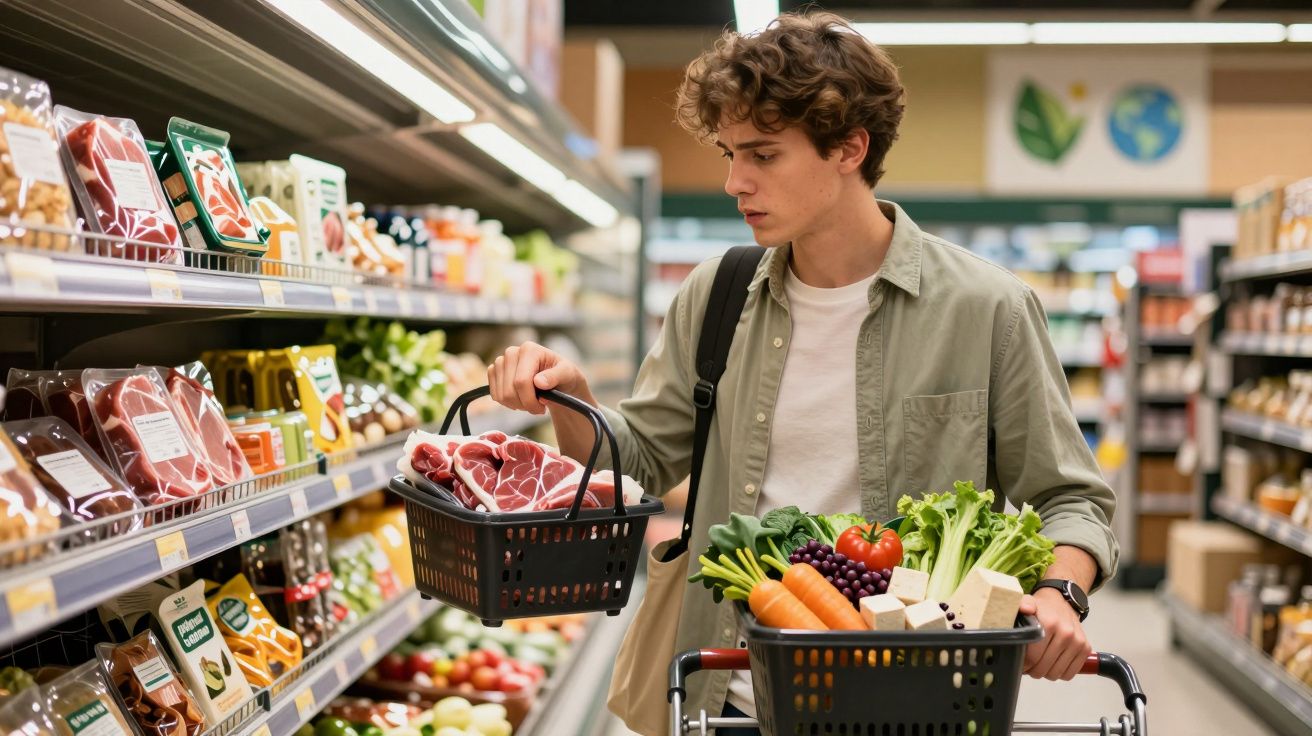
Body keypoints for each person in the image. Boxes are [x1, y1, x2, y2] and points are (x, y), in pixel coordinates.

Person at [486, 10, 1117, 732]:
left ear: (849, 147)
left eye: (762, 155)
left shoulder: (987, 309)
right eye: (728, 153)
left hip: (914, 694)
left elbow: (1072, 499)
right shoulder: (717, 294)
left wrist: (1060, 593)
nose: (732, 181)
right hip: (730, 691)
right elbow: (635, 462)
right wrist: (570, 398)